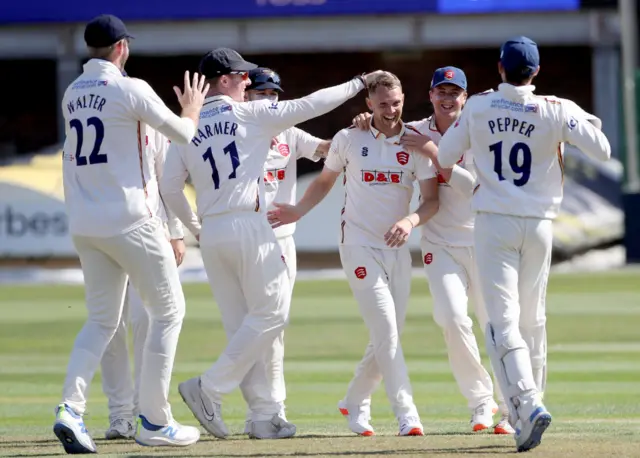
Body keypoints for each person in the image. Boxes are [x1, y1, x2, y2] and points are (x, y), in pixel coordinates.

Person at [160, 47, 380, 440]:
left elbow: (170, 186)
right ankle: (208, 388)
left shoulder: (188, 125)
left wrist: (195, 228)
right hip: (250, 224)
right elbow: (311, 104)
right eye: (242, 77)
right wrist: (359, 83)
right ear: (224, 80)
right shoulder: (250, 113)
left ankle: (263, 417)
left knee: (242, 326)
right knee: (273, 315)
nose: (249, 81)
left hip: (212, 232)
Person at [437, 37, 611, 452]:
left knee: (501, 322)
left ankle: (528, 406)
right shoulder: (556, 107)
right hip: (540, 225)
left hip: (494, 222)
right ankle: (530, 406)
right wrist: (579, 117)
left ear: (500, 69)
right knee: (532, 319)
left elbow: (445, 156)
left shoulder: (478, 105)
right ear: (535, 72)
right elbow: (602, 149)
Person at [54, 13, 208, 454]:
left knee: (102, 322)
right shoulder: (130, 87)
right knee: (169, 311)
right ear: (122, 48)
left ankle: (70, 408)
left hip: (86, 224)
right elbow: (181, 134)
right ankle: (154, 420)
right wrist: (192, 108)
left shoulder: (71, 93)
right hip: (129, 219)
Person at [268, 71, 438, 437]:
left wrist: (410, 222)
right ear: (368, 105)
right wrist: (297, 210)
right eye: (382, 105)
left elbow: (432, 201)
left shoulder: (416, 144)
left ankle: (355, 399)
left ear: (404, 99)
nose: (390, 111)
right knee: (386, 331)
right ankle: (407, 414)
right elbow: (324, 181)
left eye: (396, 103)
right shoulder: (350, 137)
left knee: (387, 334)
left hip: (397, 247)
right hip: (358, 245)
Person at [353, 67, 514, 434]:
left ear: (465, 98)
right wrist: (367, 118)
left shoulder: (479, 130)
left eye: (454, 92)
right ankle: (480, 403)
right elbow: (384, 126)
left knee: (496, 325)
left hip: (485, 240)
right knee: (453, 319)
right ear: (429, 95)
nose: (447, 98)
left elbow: (474, 187)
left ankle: (509, 408)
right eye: (441, 91)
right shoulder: (415, 131)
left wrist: (434, 152)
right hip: (439, 243)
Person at [240, 66, 331, 434]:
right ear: (246, 96)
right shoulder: (238, 131)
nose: (269, 100)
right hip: (245, 238)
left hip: (281, 240)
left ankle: (270, 410)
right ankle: (258, 410)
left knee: (276, 327)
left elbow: (324, 150)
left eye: (274, 94)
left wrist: (355, 132)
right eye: (262, 93)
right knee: (253, 325)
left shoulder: (288, 133)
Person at [99, 126, 187, 440]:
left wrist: (175, 231)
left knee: (147, 321)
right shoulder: (91, 117)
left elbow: (167, 180)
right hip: (103, 233)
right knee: (109, 326)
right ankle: (119, 415)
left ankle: (144, 411)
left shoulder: (149, 121)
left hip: (150, 231)